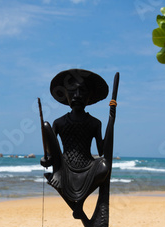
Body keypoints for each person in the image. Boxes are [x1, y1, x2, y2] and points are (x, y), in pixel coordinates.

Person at [40, 69, 112, 216]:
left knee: (104, 167)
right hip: (64, 166)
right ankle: (60, 182)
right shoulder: (59, 123)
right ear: (66, 95)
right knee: (46, 126)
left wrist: (111, 121)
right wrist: (47, 158)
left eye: (82, 91)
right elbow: (51, 150)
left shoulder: (94, 123)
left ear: (89, 96)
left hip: (88, 166)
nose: (77, 96)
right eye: (72, 91)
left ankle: (80, 202)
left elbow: (102, 151)